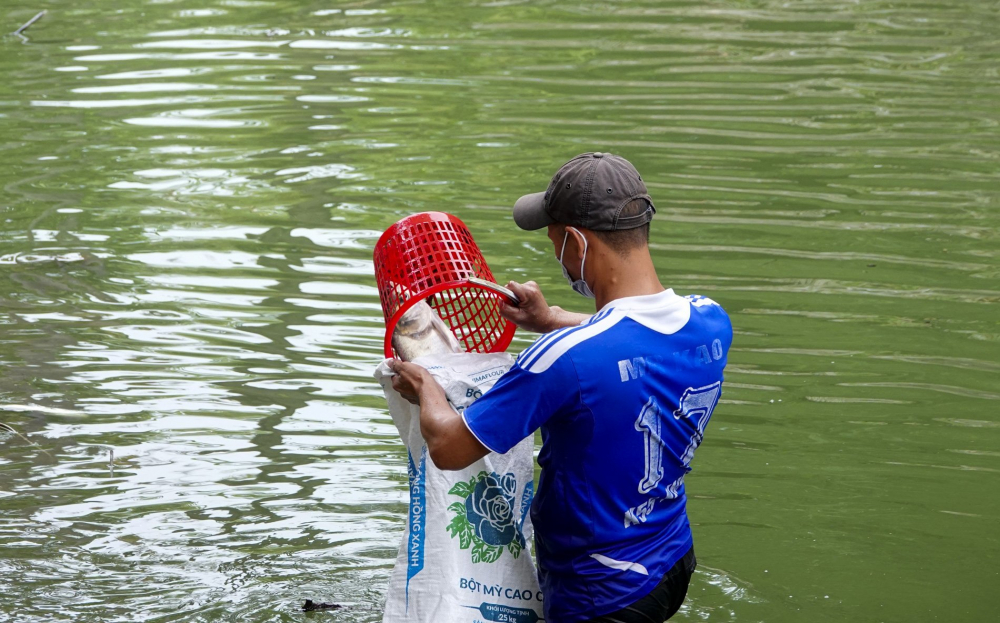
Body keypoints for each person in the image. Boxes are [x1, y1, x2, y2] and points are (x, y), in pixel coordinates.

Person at [389, 152, 733, 623]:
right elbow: (635, 339)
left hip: (599, 590)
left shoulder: (563, 358)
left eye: (555, 243)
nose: (557, 257)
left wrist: (425, 384)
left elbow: (449, 446)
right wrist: (551, 319)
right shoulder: (711, 319)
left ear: (577, 242)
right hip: (672, 559)